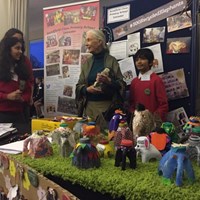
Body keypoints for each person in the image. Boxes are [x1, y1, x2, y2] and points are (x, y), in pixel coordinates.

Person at [75, 29, 126, 127]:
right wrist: (87, 89)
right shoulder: (87, 63)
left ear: (99, 42)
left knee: (105, 138)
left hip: (107, 110)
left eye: (89, 40)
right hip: (89, 109)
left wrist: (109, 81)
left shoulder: (111, 61)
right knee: (89, 137)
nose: (86, 44)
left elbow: (122, 85)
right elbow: (78, 86)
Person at [0, 37, 32, 132]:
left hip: (19, 115)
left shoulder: (21, 68)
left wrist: (22, 98)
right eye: (17, 48)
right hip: (2, 115)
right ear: (8, 49)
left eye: (21, 49)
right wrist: (7, 96)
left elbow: (28, 90)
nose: (20, 51)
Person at [129, 48, 168, 122]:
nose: (139, 62)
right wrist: (135, 115)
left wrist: (153, 118)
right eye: (137, 60)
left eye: (142, 59)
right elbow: (132, 104)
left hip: (153, 122)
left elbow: (163, 105)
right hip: (138, 122)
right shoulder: (134, 82)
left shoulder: (156, 80)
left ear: (150, 62)